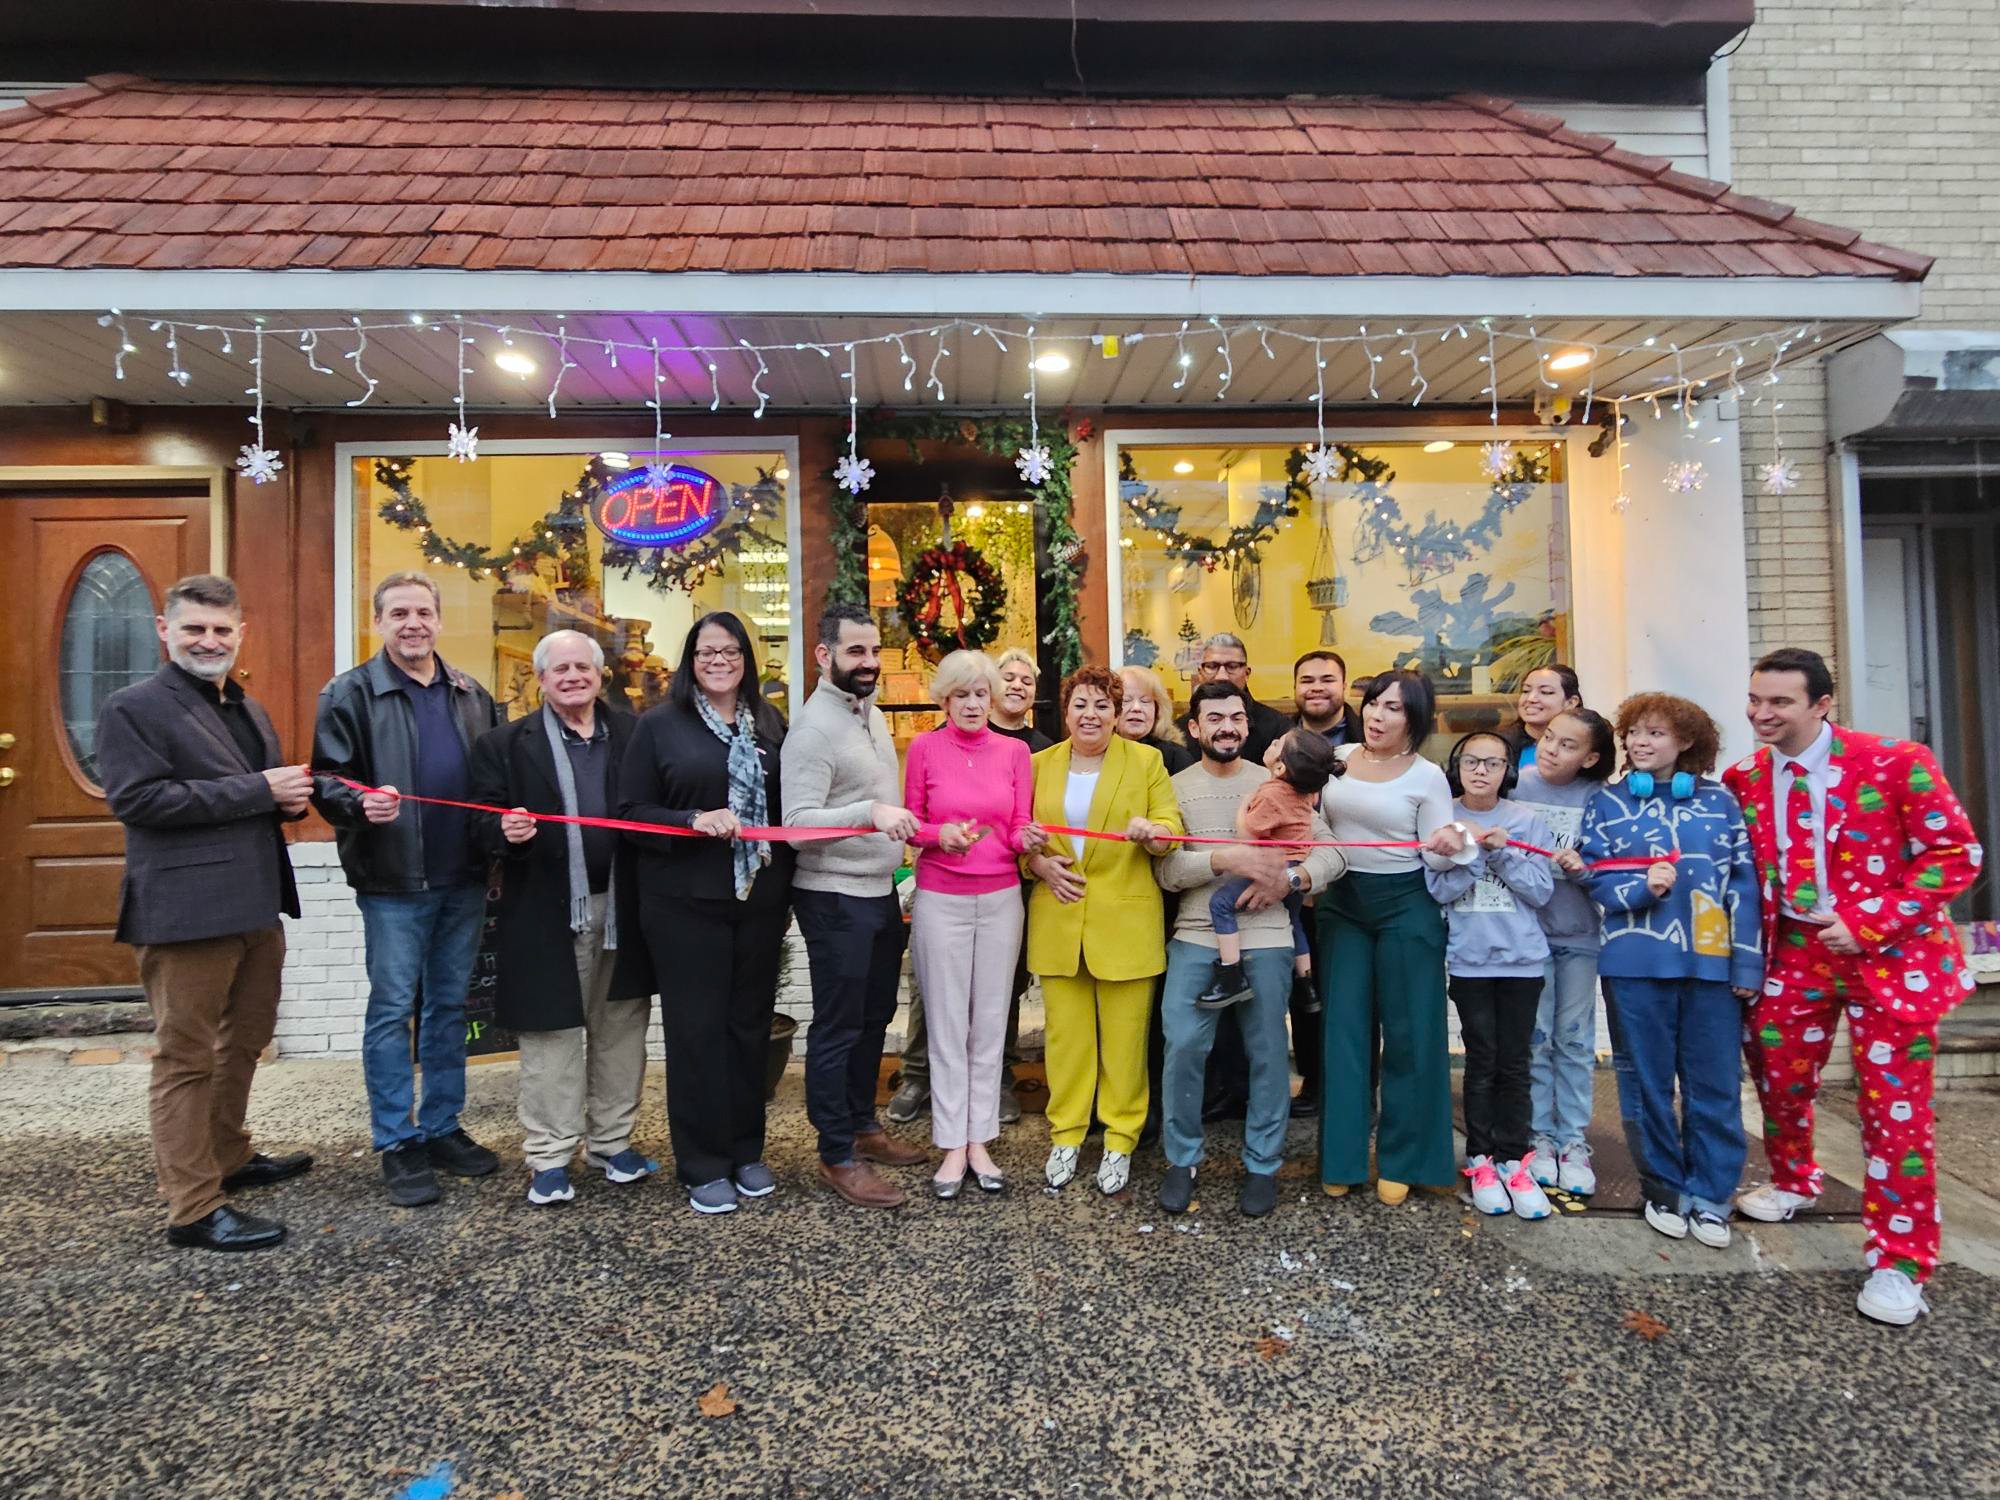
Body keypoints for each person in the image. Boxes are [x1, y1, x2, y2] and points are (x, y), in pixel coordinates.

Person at [1727, 649, 1982, 1326]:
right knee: (1778, 1078)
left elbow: (1957, 854)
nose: (1762, 714)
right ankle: (1792, 1179)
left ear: (1821, 704)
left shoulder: (1898, 761)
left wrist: (1869, 922)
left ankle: (1901, 1262)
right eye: (1756, 699)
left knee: (1893, 1110)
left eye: (1779, 702)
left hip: (1891, 956)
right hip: (1795, 951)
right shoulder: (1744, 777)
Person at [97, 573, 312, 1252]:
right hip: (184, 911)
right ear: (165, 631)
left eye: (222, 629)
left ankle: (229, 1155)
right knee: (186, 1058)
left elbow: (259, 797)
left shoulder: (245, 708)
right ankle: (192, 1207)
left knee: (243, 1042)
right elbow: (140, 801)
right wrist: (257, 790)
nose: (208, 640)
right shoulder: (132, 708)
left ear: (241, 634)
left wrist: (288, 800)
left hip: (255, 905)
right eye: (194, 628)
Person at [312, 571, 503, 1208]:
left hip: (463, 878)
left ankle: (443, 1126)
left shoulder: (471, 693)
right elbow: (327, 780)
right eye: (399, 613)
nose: (412, 623)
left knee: (449, 1008)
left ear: (439, 620)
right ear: (380, 621)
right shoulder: (350, 693)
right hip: (393, 881)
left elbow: (490, 783)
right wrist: (359, 805)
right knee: (393, 1011)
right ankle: (397, 1141)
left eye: (423, 611)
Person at [468, 630, 657, 1208]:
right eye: (561, 669)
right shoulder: (503, 744)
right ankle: (550, 1155)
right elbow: (475, 821)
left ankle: (612, 1144)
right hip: (547, 911)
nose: (573, 676)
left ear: (601, 676)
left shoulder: (634, 734)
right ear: (542, 680)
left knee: (621, 1030)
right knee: (551, 1037)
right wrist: (501, 831)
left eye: (583, 667)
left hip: (626, 907)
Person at [619, 611, 794, 1216]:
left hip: (759, 903)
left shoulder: (769, 725)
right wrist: (690, 820)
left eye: (730, 651)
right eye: (706, 651)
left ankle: (746, 1150)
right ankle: (702, 1162)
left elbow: (786, 812)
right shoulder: (659, 727)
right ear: (690, 660)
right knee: (697, 1032)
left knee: (749, 1029)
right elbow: (631, 811)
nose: (719, 661)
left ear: (747, 659)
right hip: (683, 907)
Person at [1154, 686, 1345, 1218]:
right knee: (1184, 1049)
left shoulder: (1283, 782)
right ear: (1194, 729)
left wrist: (1292, 877)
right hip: (1195, 937)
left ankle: (1263, 1163)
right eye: (1214, 718)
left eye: (1237, 717)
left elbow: (1331, 853)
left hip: (1268, 939)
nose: (1228, 727)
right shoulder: (1173, 789)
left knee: (1267, 1056)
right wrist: (1225, 859)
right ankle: (1182, 1158)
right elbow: (1166, 872)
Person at [1581, 693, 1761, 1250]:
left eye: (1655, 733)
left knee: (1715, 1083)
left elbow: (1745, 884)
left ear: (1686, 742)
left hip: (1711, 963)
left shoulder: (1721, 801)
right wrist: (1642, 888)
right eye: (1634, 732)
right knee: (1644, 1083)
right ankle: (1663, 1186)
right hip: (1633, 963)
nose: (1639, 742)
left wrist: (1747, 963)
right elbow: (1591, 876)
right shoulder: (1606, 802)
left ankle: (1711, 1194)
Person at [783, 603, 927, 1210]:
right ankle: (836, 1152)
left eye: (873, 652)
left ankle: (864, 1127)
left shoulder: (865, 714)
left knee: (873, 1021)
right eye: (854, 652)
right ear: (824, 656)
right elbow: (795, 826)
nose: (868, 663)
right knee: (839, 1027)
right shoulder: (814, 728)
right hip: (832, 896)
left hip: (876, 893)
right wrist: (868, 814)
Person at [1025, 666, 1184, 1194]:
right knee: (1065, 1041)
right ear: (1064, 711)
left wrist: (1153, 833)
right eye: (1080, 705)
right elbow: (1017, 834)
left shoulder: (1146, 761)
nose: (1090, 715)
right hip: (1059, 918)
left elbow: (1171, 829)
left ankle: (1120, 1139)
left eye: (1101, 706)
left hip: (1126, 922)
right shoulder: (1037, 764)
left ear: (1118, 714)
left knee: (1124, 1044)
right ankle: (1066, 1134)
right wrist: (1039, 865)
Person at [1318, 670, 1472, 1204]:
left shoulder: (1428, 776)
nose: (1378, 716)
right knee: (1343, 1031)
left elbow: (1432, 852)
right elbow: (1311, 823)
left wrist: (1453, 842)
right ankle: (1341, 1157)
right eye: (1373, 704)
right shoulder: (1335, 759)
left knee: (1410, 1034)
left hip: (1407, 906)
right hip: (1341, 903)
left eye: (1394, 708)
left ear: (1416, 719)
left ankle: (1405, 1160)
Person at [888, 646, 1047, 1127]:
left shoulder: (1016, 752)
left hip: (1001, 897)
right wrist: (941, 835)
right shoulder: (924, 748)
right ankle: (951, 1136)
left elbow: (1018, 823)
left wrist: (1028, 837)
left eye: (981, 693)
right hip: (941, 896)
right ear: (945, 700)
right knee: (947, 1018)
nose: (973, 703)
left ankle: (982, 1136)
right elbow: (912, 826)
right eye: (962, 695)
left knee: (992, 1016)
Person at [1427, 732, 1557, 1221]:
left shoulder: (1527, 820)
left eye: (1493, 762)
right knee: (1481, 1061)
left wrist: (1503, 851)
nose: (1481, 770)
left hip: (1523, 962)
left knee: (1516, 1064)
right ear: (1456, 766)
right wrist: (1473, 852)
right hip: (1469, 963)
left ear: (1508, 770)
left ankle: (1515, 1161)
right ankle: (1480, 1160)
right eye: (1471, 761)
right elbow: (1438, 889)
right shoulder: (1442, 823)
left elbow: (1542, 890)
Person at [1514, 707, 1618, 1197]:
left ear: (1591, 757)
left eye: (1568, 745)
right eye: (1549, 738)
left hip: (1578, 937)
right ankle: (1539, 1139)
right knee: (1535, 1038)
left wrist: (1583, 870)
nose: (1552, 749)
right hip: (1526, 937)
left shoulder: (1601, 798)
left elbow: (1615, 872)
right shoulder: (1517, 784)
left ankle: (1573, 1141)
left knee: (1574, 1041)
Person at [1198, 729, 1338, 1011]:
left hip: (1276, 864)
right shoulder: (1306, 790)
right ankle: (1306, 983)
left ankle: (1231, 973)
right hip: (1298, 865)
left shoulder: (1272, 793)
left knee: (1221, 904)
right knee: (1295, 921)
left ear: (1281, 766)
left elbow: (1247, 835)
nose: (1270, 741)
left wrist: (1244, 805)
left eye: (1277, 743)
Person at [1180, 632, 1291, 766]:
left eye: (1232, 667)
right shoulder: (1178, 732)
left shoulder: (1277, 728)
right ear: (1200, 673)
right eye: (1212, 666)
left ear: (1247, 673)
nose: (1222, 676)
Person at [1118, 665, 1196, 774]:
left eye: (1145, 701)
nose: (1136, 708)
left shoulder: (1175, 757)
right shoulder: (1098, 752)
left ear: (1157, 710)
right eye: (1126, 700)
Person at [1503, 664, 1582, 770]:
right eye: (1526, 691)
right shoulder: (1498, 744)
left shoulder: (1585, 746)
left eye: (1545, 692)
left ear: (1571, 702)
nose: (1531, 698)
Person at [1286, 649, 1362, 749]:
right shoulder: (1274, 737)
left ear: (1344, 687)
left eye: (1328, 680)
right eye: (1307, 681)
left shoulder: (1370, 738)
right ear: (1295, 687)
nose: (1317, 688)